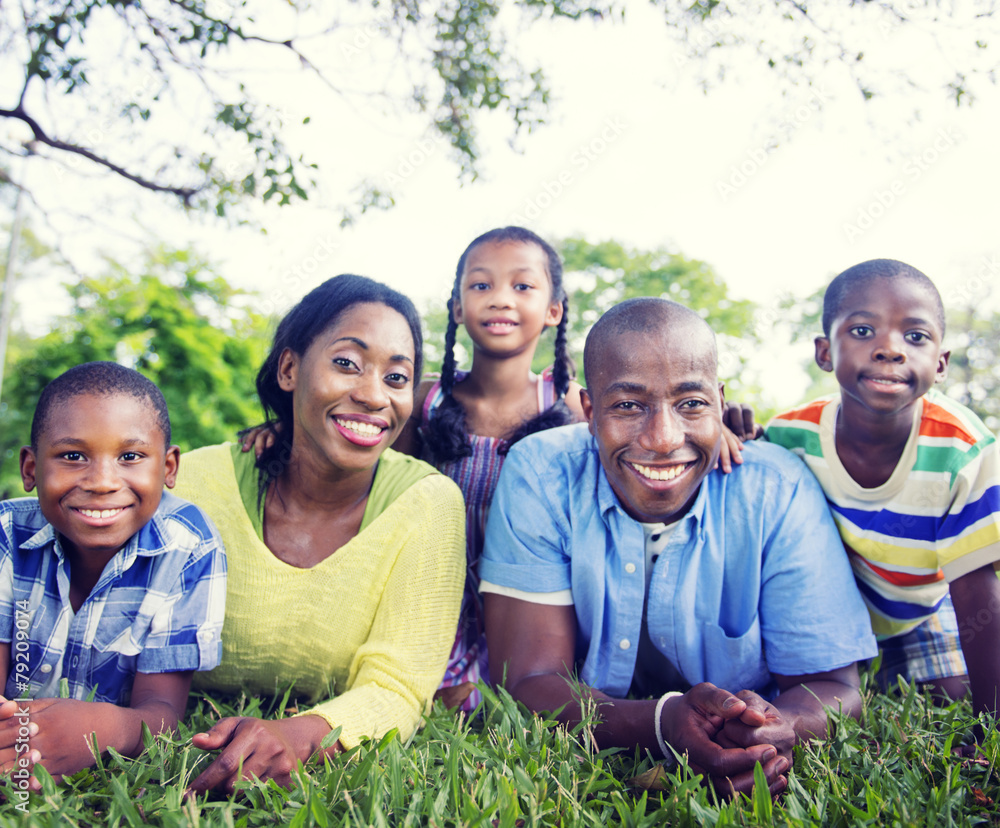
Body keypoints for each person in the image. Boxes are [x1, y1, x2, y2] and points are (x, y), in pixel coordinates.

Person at [480, 297, 877, 798]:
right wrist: (660, 723)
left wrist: (774, 728)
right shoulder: (541, 473)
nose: (664, 439)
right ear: (588, 410)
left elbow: (835, 687)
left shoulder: (776, 487)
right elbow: (527, 681)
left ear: (719, 400)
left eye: (691, 403)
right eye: (627, 405)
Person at [172, 274, 466, 794]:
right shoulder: (194, 485)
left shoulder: (428, 503)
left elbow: (398, 687)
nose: (374, 395)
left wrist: (298, 735)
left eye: (396, 378)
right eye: (347, 363)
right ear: (290, 368)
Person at [767, 259, 1000, 716]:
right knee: (800, 698)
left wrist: (990, 723)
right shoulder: (788, 437)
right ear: (824, 352)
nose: (890, 349)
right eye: (861, 331)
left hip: (916, 614)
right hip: (820, 620)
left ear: (941, 363)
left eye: (915, 337)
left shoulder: (963, 453)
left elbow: (976, 590)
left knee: (952, 695)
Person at [0, 362, 226, 788]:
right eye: (72, 456)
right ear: (31, 469)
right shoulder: (6, 537)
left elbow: (162, 716)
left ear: (169, 467)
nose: (103, 482)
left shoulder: (189, 549)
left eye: (130, 457)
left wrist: (98, 732)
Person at [392, 226, 585, 711]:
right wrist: (278, 435)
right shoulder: (426, 400)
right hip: (437, 593)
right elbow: (369, 477)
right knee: (432, 696)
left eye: (522, 286)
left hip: (531, 592)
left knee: (522, 692)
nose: (500, 299)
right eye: (481, 285)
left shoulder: (568, 406)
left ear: (554, 310)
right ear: (457, 307)